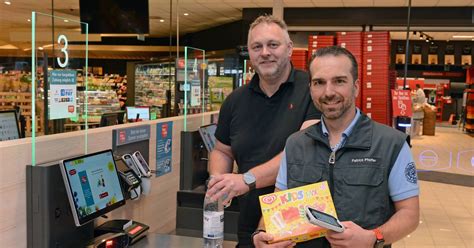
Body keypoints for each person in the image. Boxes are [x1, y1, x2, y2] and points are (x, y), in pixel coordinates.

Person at [253, 46, 420, 248]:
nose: (328, 92)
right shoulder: (295, 144)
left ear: (356, 86)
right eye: (319, 83)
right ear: (311, 88)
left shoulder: (391, 144)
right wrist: (263, 232)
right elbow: (277, 208)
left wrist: (373, 237)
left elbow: (409, 214)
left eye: (339, 81)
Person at [206, 15, 321, 247]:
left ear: (289, 49)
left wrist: (246, 180)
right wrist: (218, 181)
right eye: (257, 47)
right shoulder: (234, 101)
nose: (265, 52)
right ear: (249, 53)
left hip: (300, 223)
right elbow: (222, 151)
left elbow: (302, 154)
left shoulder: (313, 90)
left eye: (273, 45)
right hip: (250, 226)